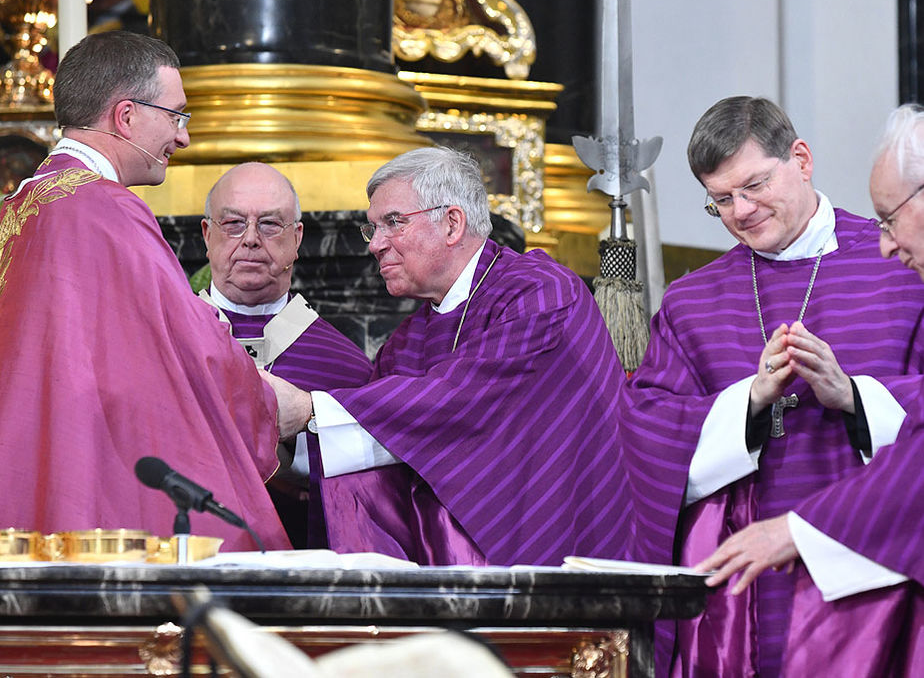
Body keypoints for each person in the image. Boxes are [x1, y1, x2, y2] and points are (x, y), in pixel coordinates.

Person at [618, 96, 924, 676]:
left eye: (755, 185)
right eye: (722, 200)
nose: (743, 210)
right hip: (744, 588)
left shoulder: (904, 266)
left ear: (801, 160)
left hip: (877, 564)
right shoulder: (691, 303)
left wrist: (853, 397)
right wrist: (749, 403)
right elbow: (646, 433)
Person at [261, 145, 633, 566]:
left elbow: (464, 401)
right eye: (373, 229)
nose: (375, 245)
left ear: (452, 223)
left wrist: (309, 409)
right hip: (444, 571)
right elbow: (373, 443)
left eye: (392, 223)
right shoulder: (407, 340)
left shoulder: (541, 292)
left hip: (555, 545)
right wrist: (278, 443)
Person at [0, 31, 291, 551]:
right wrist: (268, 403)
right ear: (126, 116)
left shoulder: (16, 209)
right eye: (175, 116)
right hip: (83, 477)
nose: (182, 138)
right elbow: (187, 342)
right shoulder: (105, 210)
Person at [198, 162, 373, 548]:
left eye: (270, 224)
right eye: (232, 224)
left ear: (297, 238)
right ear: (207, 235)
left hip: (302, 574)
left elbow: (366, 492)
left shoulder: (345, 367)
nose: (250, 239)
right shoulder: (166, 341)